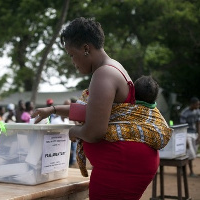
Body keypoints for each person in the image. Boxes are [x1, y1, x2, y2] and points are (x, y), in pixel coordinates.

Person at [32, 17, 169, 199]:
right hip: (126, 164)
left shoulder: (103, 74)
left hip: (121, 167)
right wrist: (53, 110)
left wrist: (73, 131)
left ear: (86, 48)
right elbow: (94, 111)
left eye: (72, 55)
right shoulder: (112, 68)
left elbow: (95, 131)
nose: (73, 61)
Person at [180, 97, 200, 177]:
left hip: (194, 133)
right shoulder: (184, 112)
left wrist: (199, 135)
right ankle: (191, 171)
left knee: (193, 153)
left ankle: (182, 168)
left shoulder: (197, 111)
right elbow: (182, 127)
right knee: (190, 153)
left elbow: (198, 123)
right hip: (187, 133)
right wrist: (185, 139)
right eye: (197, 104)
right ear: (193, 104)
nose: (198, 105)